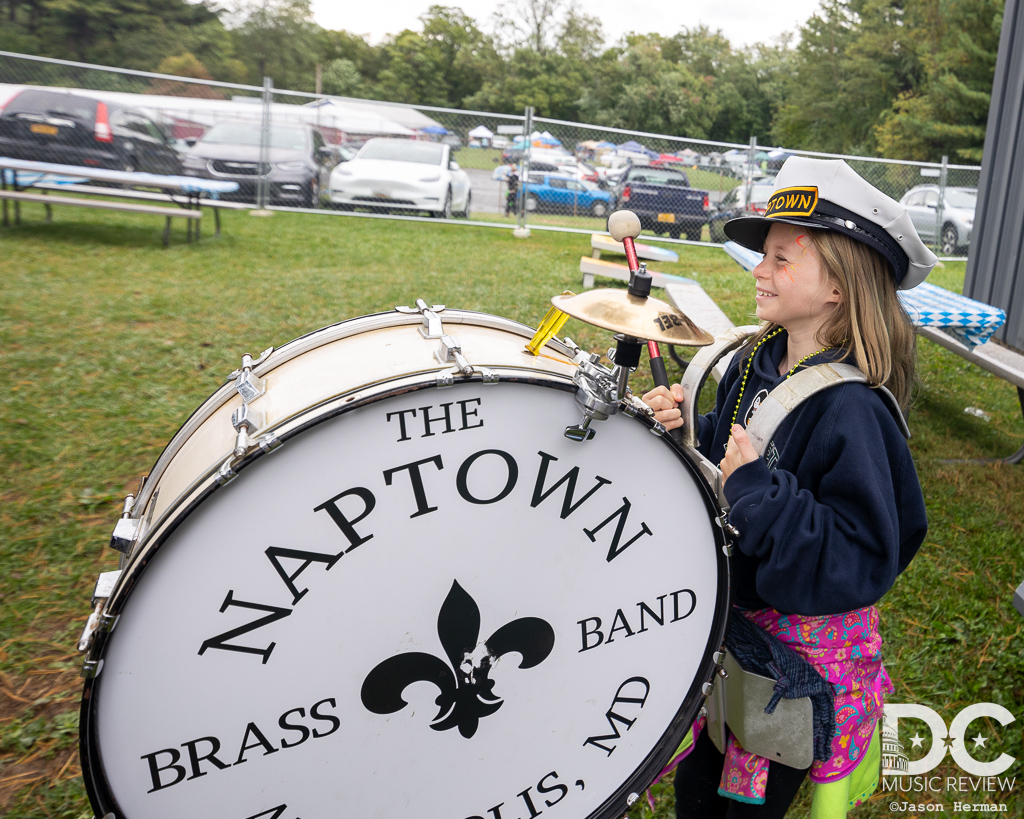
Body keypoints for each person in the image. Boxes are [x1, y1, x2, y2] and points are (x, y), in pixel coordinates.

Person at [642, 156, 937, 818]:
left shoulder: (853, 411)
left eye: (781, 259)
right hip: (733, 625)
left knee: (749, 801)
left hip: (792, 663)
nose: (759, 271)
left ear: (837, 286)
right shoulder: (754, 361)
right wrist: (686, 424)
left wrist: (759, 491)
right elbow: (731, 440)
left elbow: (860, 555)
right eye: (763, 256)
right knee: (700, 784)